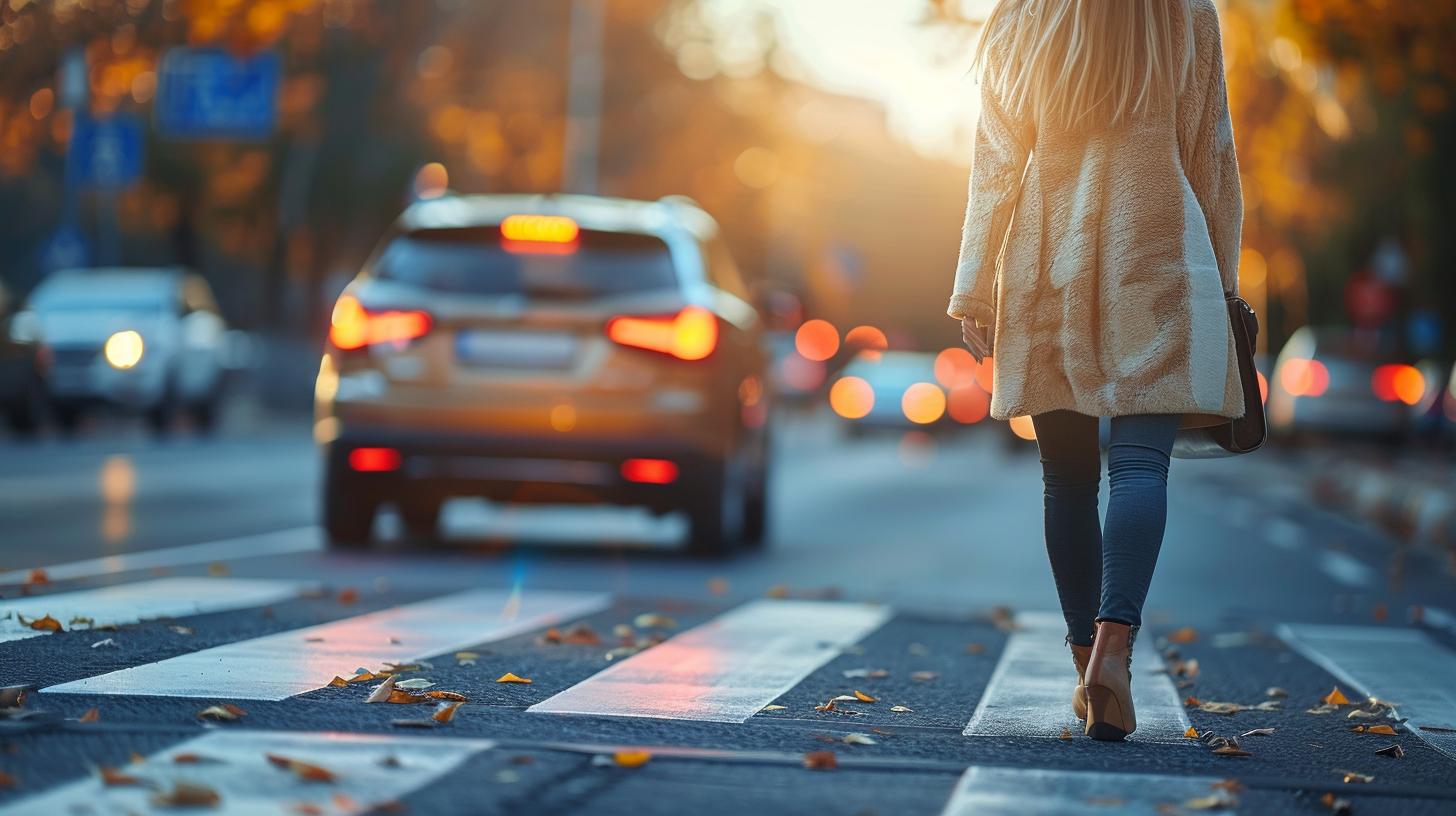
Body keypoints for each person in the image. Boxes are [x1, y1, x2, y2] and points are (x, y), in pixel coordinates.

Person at [947, 0, 1245, 741]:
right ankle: (1114, 651)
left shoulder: (1022, 15)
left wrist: (974, 282)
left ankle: (1088, 664)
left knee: (1068, 479)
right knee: (1141, 467)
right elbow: (1212, 149)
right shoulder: (1186, 12)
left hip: (1049, 260)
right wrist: (1226, 283)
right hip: (1160, 254)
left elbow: (994, 163)